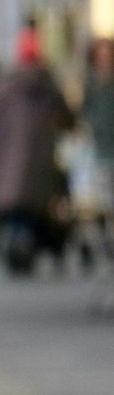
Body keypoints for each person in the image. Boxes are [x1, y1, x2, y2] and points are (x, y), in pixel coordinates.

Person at [0, 30, 75, 274]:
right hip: (40, 160)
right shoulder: (48, 84)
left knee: (14, 207)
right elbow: (66, 118)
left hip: (8, 159)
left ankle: (18, 247)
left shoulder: (5, 85)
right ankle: (30, 247)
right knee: (36, 208)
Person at [83, 38, 114, 266]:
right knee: (103, 200)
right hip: (99, 149)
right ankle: (106, 239)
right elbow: (84, 112)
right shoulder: (91, 83)